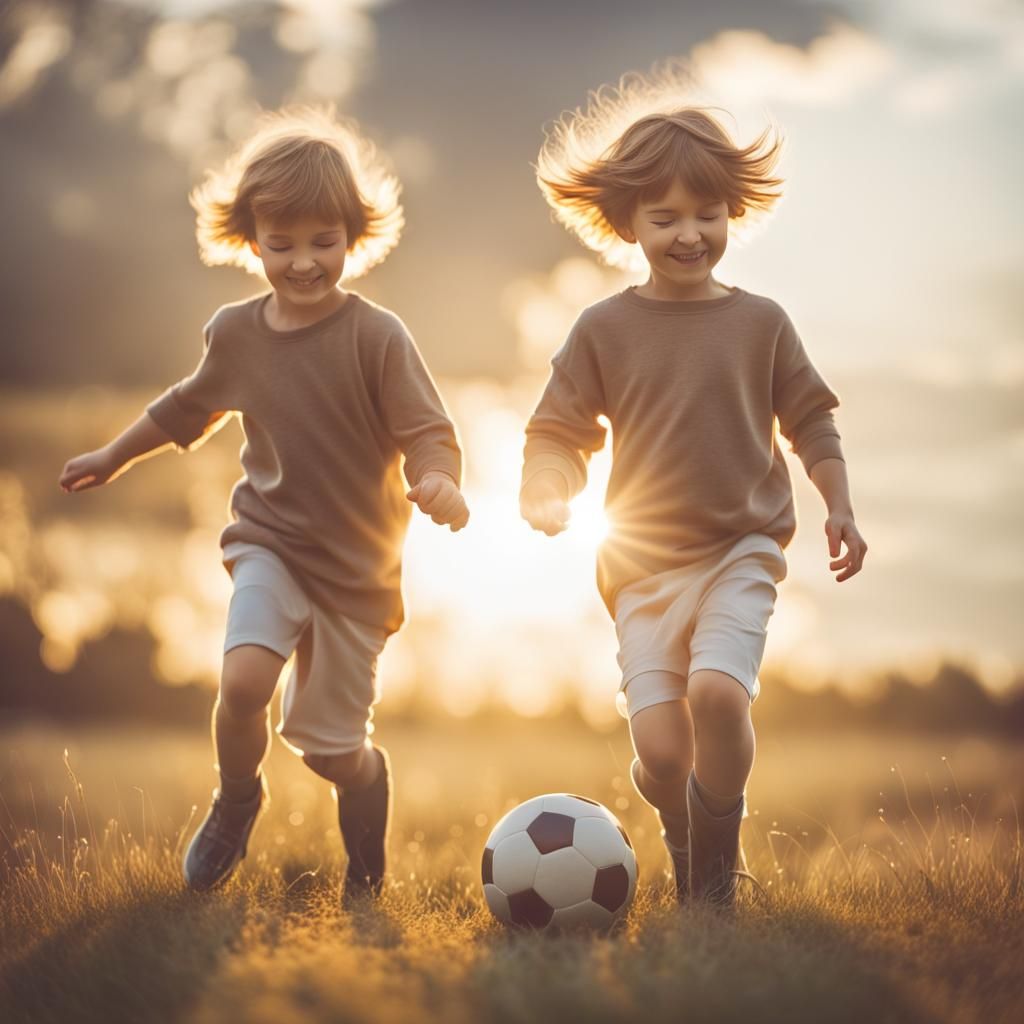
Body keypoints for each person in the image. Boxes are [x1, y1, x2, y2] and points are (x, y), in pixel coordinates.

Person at [58, 107, 469, 900]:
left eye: (325, 242)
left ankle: (366, 868)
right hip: (269, 543)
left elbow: (429, 430)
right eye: (282, 244)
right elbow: (187, 407)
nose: (305, 262)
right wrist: (113, 455)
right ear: (251, 240)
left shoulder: (379, 338)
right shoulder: (237, 334)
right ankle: (237, 800)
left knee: (329, 751)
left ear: (354, 235)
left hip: (357, 575)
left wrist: (440, 481)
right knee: (244, 683)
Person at [520, 82, 867, 907]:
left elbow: (811, 420)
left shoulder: (762, 323)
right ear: (626, 223)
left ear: (732, 213)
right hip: (639, 567)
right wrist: (547, 487)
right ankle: (683, 828)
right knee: (663, 754)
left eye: (706, 213)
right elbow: (557, 428)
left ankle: (713, 865)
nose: (689, 234)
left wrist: (840, 503)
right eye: (665, 217)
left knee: (716, 694)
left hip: (741, 549)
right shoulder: (602, 329)